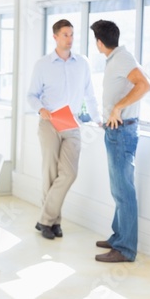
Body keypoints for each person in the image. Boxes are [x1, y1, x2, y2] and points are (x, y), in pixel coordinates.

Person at [27, 19, 101, 240]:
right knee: (50, 172)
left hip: (71, 122)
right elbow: (31, 95)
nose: (69, 39)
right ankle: (53, 222)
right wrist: (41, 110)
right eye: (65, 35)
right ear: (55, 37)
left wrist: (98, 119)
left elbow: (90, 93)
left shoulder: (82, 63)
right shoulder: (43, 64)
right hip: (50, 121)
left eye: (71, 34)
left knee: (69, 173)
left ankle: (44, 220)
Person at [90, 20, 150, 263]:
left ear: (99, 42)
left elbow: (145, 85)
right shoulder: (116, 59)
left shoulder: (122, 58)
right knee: (119, 190)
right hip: (116, 130)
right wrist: (109, 114)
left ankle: (125, 249)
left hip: (122, 132)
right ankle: (118, 238)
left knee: (123, 191)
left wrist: (117, 108)